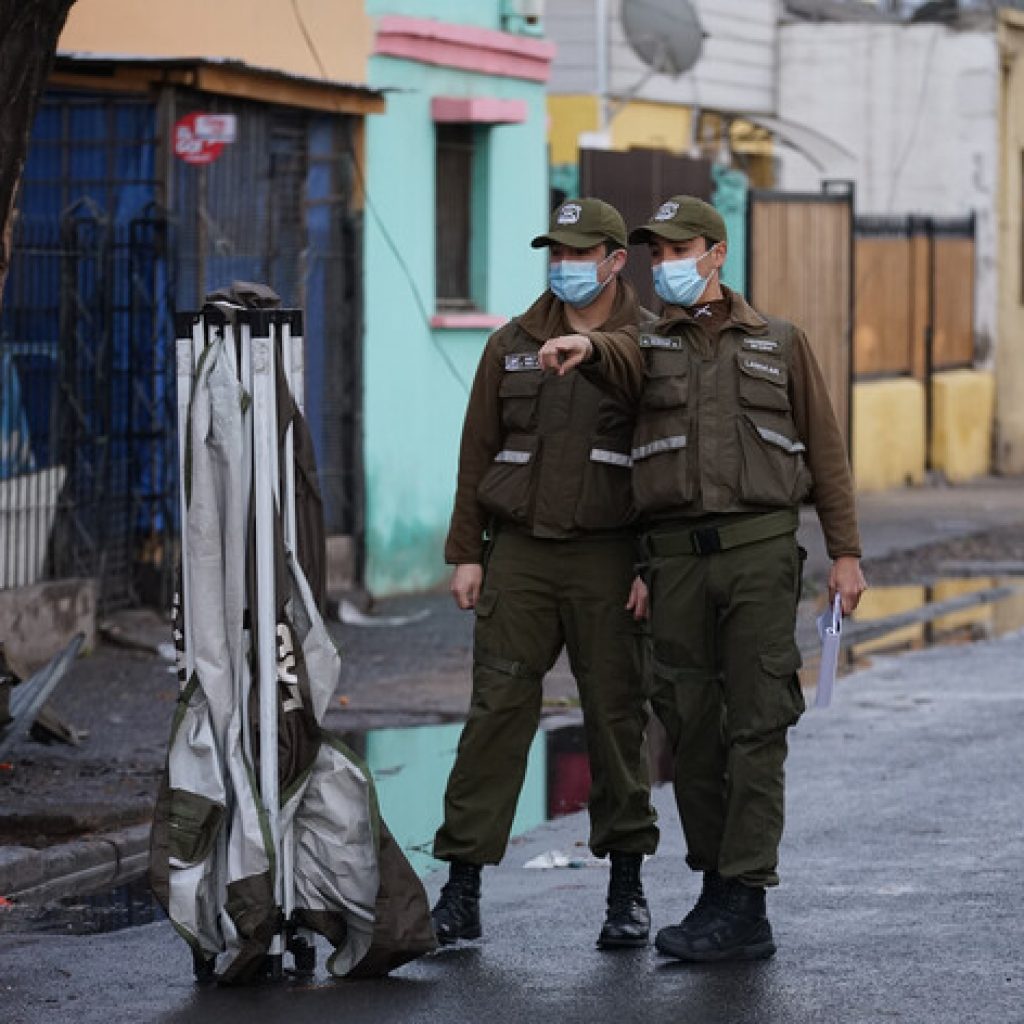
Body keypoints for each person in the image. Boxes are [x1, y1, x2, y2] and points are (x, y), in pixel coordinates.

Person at [538, 195, 867, 962]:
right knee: (688, 726)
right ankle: (716, 883)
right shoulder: (643, 343)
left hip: (759, 551)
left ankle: (746, 900)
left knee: (756, 721)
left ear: (717, 253)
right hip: (676, 560)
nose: (667, 266)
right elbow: (615, 359)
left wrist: (844, 554)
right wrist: (587, 351)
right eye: (657, 255)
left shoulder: (779, 342)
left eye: (681, 250)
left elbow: (825, 453)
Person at [431, 198, 659, 950]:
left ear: (615, 261)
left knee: (616, 720)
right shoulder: (512, 345)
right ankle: (460, 889)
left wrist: (651, 566)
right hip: (520, 555)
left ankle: (626, 890)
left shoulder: (653, 346)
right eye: (554, 251)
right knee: (495, 713)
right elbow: (475, 452)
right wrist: (468, 551)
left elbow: (670, 468)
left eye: (579, 252)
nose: (564, 265)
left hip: (610, 555)